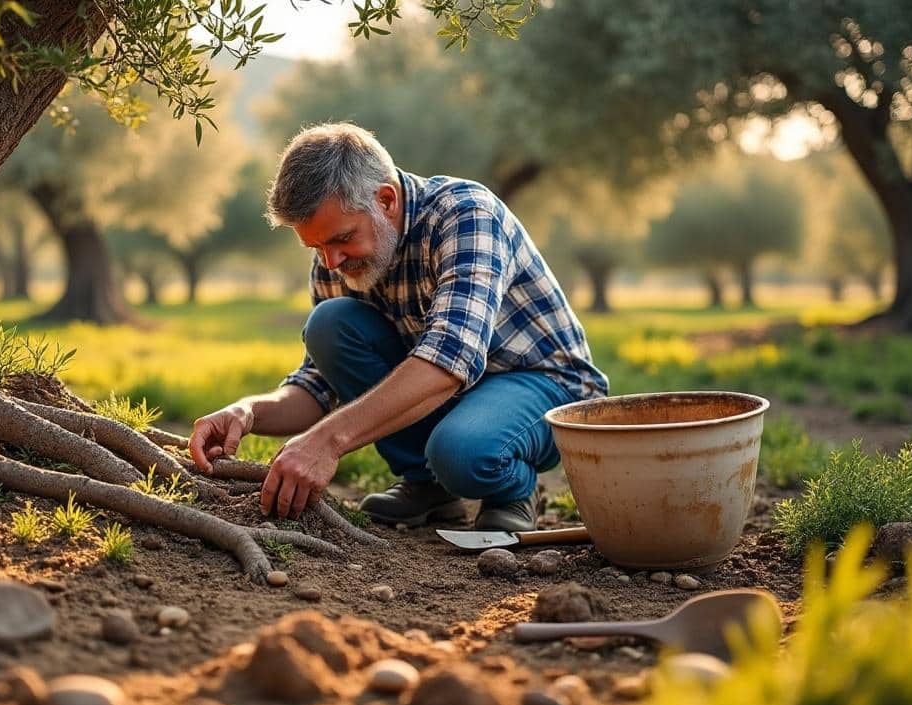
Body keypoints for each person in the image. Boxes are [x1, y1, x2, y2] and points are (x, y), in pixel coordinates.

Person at [188, 123, 607, 532]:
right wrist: (247, 411)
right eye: (317, 247)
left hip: (543, 384)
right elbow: (317, 386)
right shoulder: (338, 259)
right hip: (452, 392)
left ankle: (513, 489)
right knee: (329, 324)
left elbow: (448, 361)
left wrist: (327, 441)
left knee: (462, 452)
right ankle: (428, 486)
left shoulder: (466, 215)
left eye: (341, 239)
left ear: (386, 200)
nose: (330, 261)